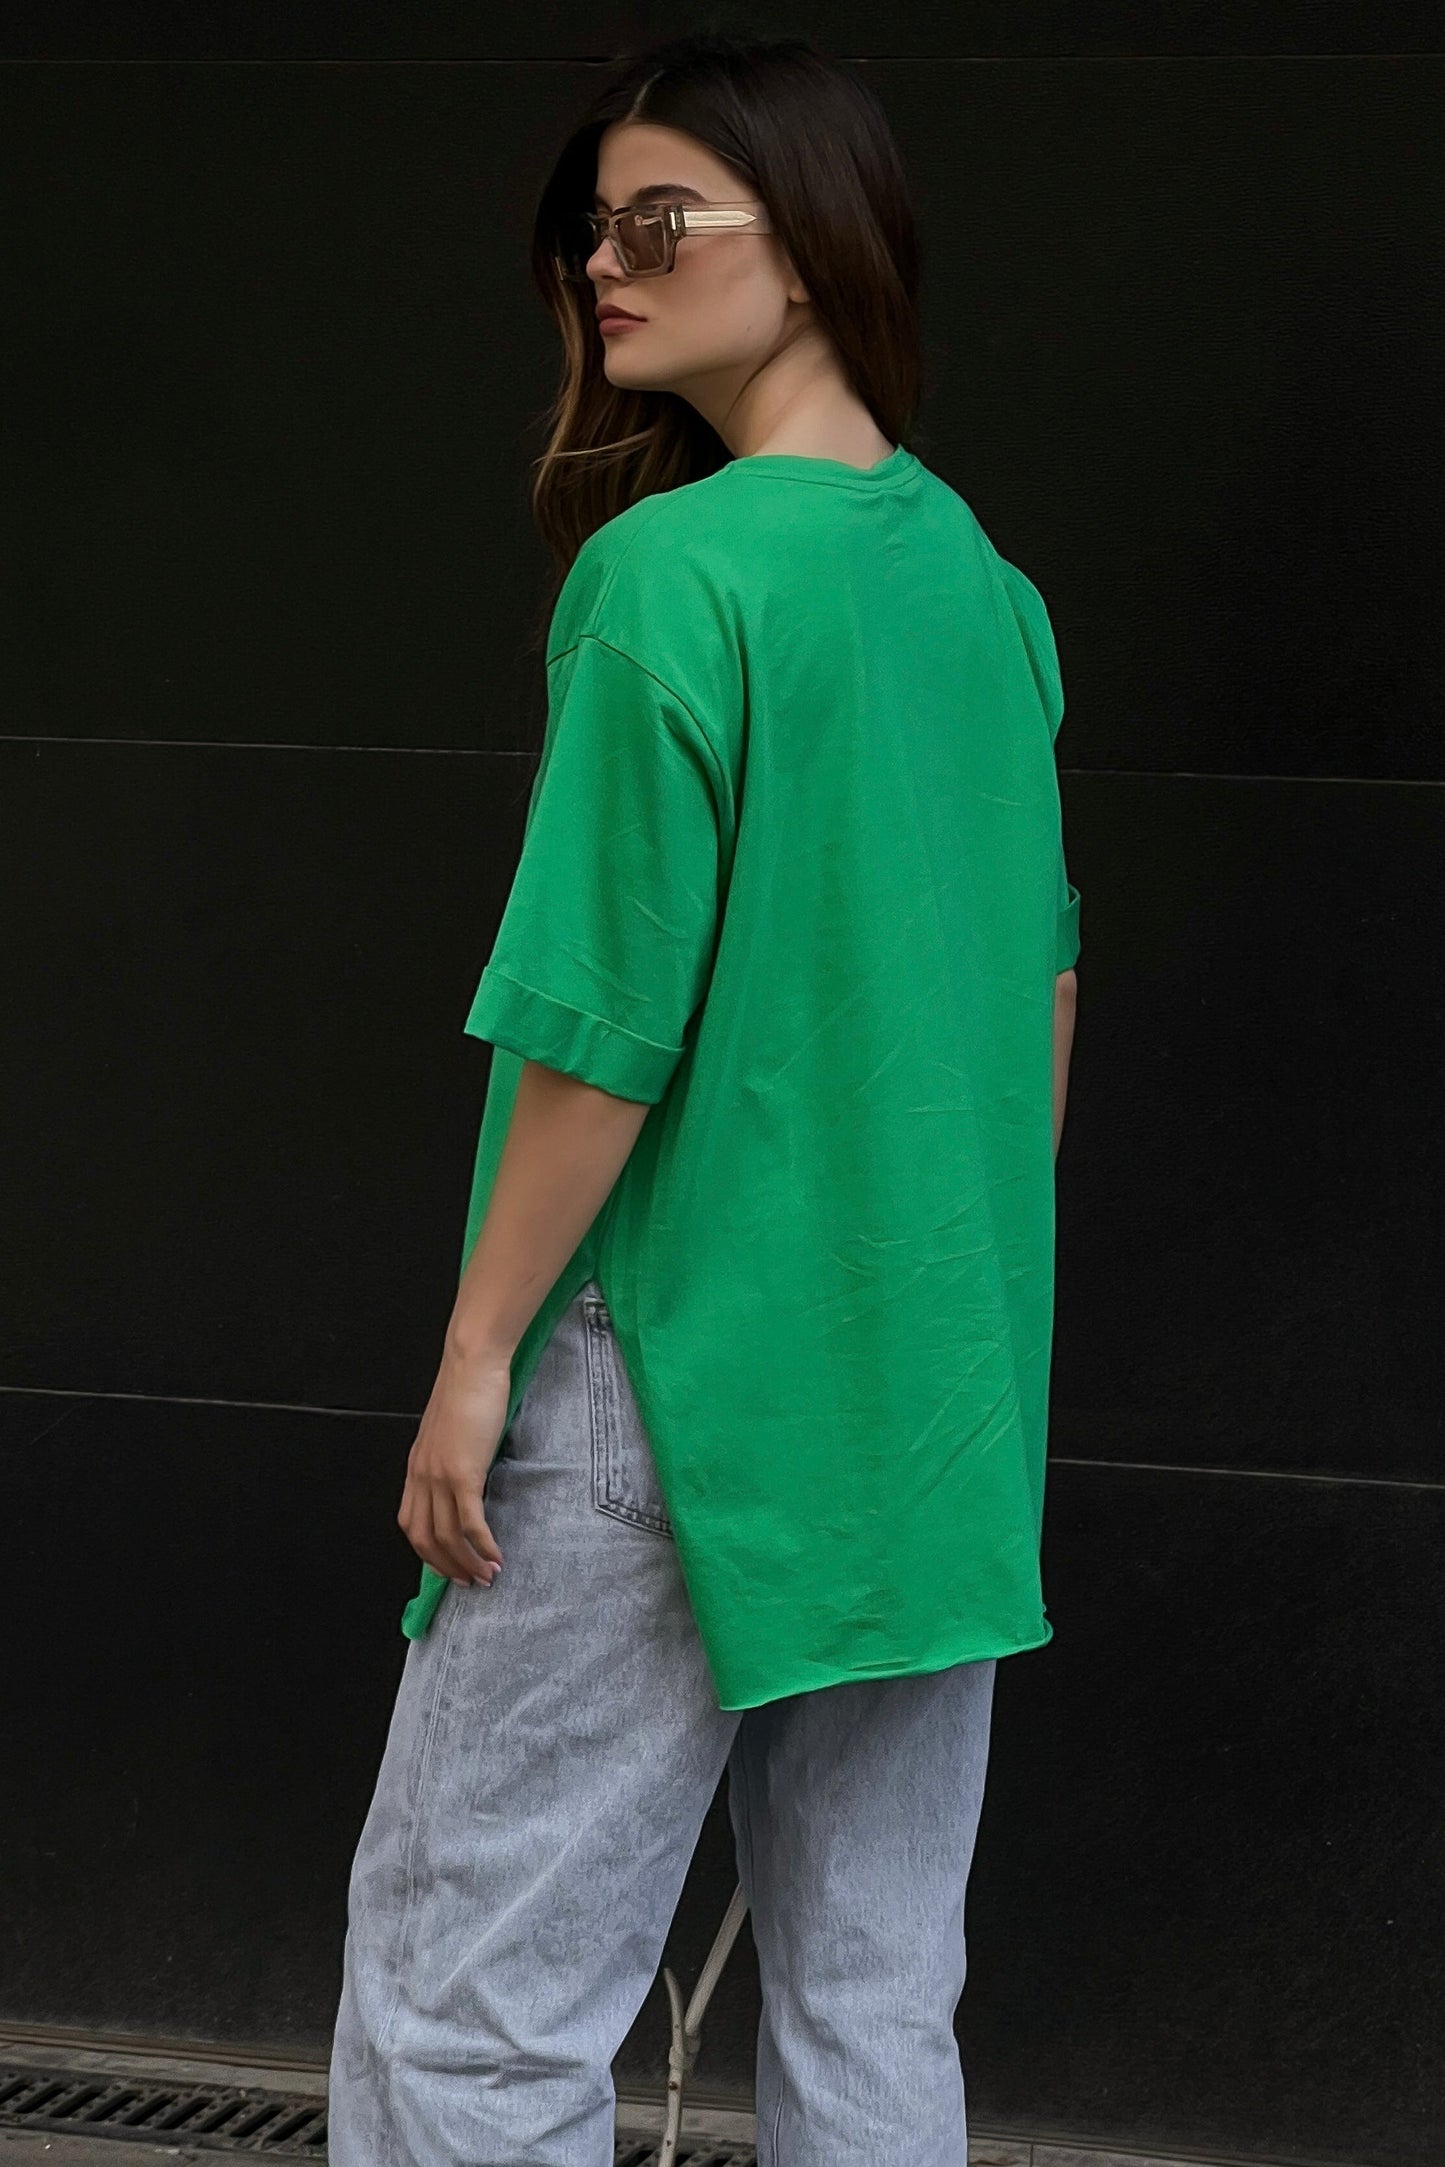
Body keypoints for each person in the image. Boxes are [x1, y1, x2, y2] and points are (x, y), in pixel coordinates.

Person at [328, 28, 1081, 2167]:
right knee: (870, 1999)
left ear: (817, 242)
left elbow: (595, 1020)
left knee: (472, 2012)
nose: (605, 265)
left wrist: (477, 1356)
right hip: (925, 1403)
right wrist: (949, 1327)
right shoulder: (984, 589)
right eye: (593, 230)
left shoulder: (671, 575)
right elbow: (1036, 1002)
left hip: (669, 1374)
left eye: (659, 222)